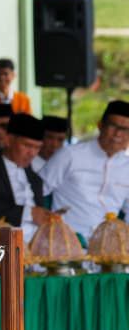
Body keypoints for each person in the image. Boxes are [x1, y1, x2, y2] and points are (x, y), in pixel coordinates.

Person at [40, 100, 129, 238]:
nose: (118, 134)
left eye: (125, 130)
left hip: (109, 248)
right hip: (67, 244)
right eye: (113, 126)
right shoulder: (70, 155)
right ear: (100, 125)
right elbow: (35, 191)